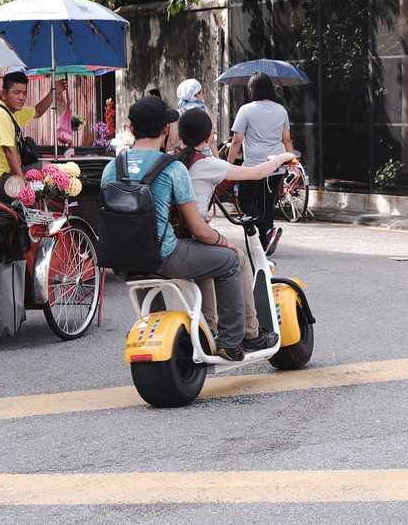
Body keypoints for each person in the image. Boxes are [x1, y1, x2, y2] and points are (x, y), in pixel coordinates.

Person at [100, 96, 247, 361]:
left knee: (142, 264)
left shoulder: (112, 167)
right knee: (228, 262)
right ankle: (231, 343)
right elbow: (199, 230)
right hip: (163, 256)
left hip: (121, 261)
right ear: (166, 129)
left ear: (131, 129)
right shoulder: (172, 168)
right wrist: (227, 243)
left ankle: (155, 329)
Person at [175, 108, 295, 350]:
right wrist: (281, 158)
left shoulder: (176, 160)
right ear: (208, 135)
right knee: (237, 258)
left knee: (206, 269)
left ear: (180, 134)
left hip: (179, 236)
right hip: (196, 236)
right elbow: (256, 173)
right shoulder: (207, 164)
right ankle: (251, 334)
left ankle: (208, 331)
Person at [226, 72, 296, 255]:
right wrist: (292, 162)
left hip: (254, 166)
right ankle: (267, 238)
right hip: (276, 164)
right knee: (267, 203)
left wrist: (228, 165)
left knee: (246, 201)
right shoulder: (281, 110)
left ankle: (266, 230)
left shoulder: (246, 110)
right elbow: (287, 139)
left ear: (252, 89)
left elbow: (236, 141)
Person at [0, 71, 65, 202]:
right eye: (16, 92)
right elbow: (9, 151)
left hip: (6, 176)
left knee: (47, 170)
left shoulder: (12, 111)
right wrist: (22, 182)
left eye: (24, 93)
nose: (21, 97)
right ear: (3, 94)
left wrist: (54, 91)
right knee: (47, 168)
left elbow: (37, 111)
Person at [174, 78, 218, 156]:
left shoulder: (178, 112)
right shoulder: (206, 112)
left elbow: (172, 140)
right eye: (201, 92)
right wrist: (218, 160)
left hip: (183, 155)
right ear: (196, 94)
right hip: (203, 155)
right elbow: (211, 140)